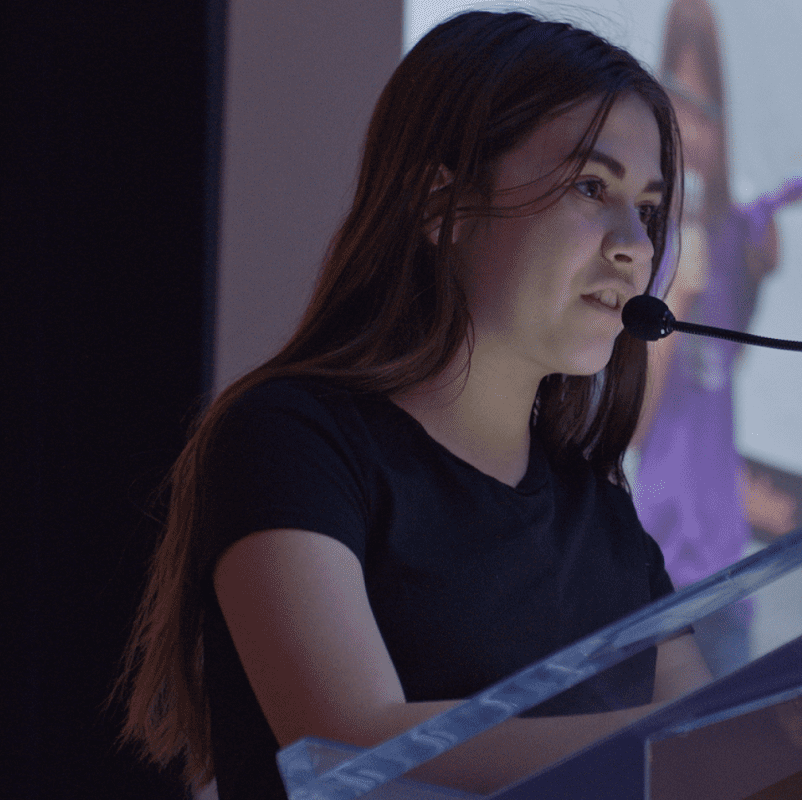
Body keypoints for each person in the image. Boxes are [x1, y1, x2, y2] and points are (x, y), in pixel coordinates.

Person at [118, 13, 710, 799]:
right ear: (446, 206)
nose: (634, 244)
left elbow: (722, 754)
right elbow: (347, 748)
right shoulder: (293, 439)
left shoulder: (604, 519)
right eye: (591, 187)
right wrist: (682, 742)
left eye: (650, 208)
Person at [631, 0, 802, 675]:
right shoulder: (639, 241)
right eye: (679, 100)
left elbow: (725, 363)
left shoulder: (725, 234)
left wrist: (759, 273)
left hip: (726, 574)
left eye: (707, 108)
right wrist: (672, 301)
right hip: (657, 566)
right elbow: (631, 426)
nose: (694, 126)